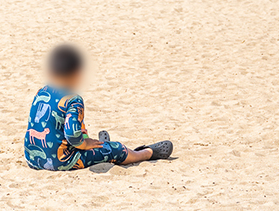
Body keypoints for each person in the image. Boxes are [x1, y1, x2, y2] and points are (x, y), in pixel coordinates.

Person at [23, 44, 172, 171]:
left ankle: (98, 145)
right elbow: (72, 136)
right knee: (115, 149)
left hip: (33, 159)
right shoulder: (73, 99)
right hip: (61, 161)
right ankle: (145, 153)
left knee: (73, 121)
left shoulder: (41, 92)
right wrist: (85, 143)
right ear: (77, 73)